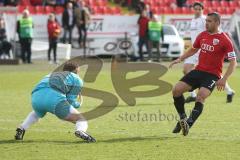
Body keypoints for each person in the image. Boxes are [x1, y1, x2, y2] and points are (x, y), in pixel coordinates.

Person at [169, 12, 237, 136]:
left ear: (217, 23)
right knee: (176, 90)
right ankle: (183, 118)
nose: (206, 23)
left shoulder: (225, 40)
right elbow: (193, 49)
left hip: (212, 75)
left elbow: (233, 62)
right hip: (198, 71)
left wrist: (224, 78)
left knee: (201, 96)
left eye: (209, 21)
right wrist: (180, 58)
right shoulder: (203, 35)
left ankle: (188, 124)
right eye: (206, 21)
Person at [15, 62, 96, 143]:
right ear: (75, 71)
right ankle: (80, 131)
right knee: (81, 119)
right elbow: (70, 101)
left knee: (36, 113)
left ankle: (22, 128)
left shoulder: (52, 74)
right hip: (54, 100)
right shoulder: (77, 79)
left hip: (36, 98)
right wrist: (77, 104)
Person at [184, 2, 235, 103]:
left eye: (199, 9)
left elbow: (214, 31)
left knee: (212, 72)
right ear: (193, 10)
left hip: (205, 49)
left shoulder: (204, 20)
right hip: (196, 48)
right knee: (186, 69)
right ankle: (193, 94)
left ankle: (228, 91)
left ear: (202, 10)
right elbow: (194, 36)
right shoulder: (192, 20)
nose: (197, 11)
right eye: (196, 9)